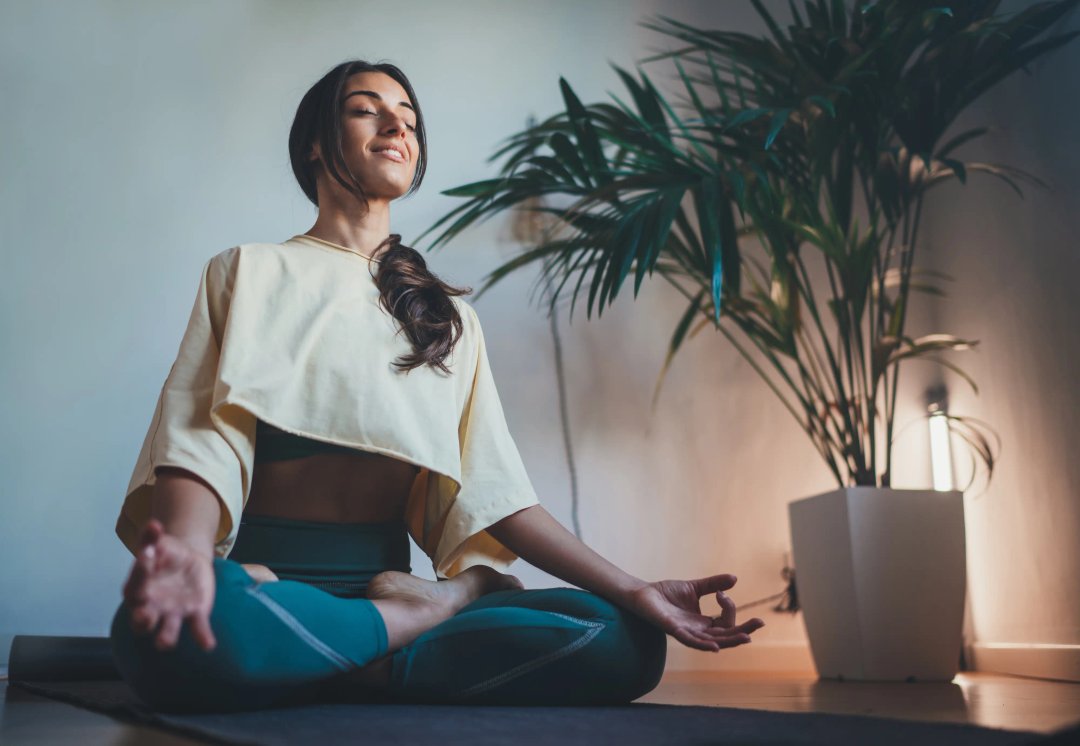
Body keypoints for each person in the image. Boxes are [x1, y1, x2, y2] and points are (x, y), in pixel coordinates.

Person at [109, 59, 765, 714]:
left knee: (624, 639)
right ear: (313, 142)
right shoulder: (248, 272)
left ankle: (332, 649)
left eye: (410, 119)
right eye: (367, 108)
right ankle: (420, 623)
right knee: (183, 630)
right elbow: (202, 438)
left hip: (379, 585)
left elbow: (499, 496)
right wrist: (191, 561)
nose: (396, 122)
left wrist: (637, 591)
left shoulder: (450, 321)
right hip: (267, 588)